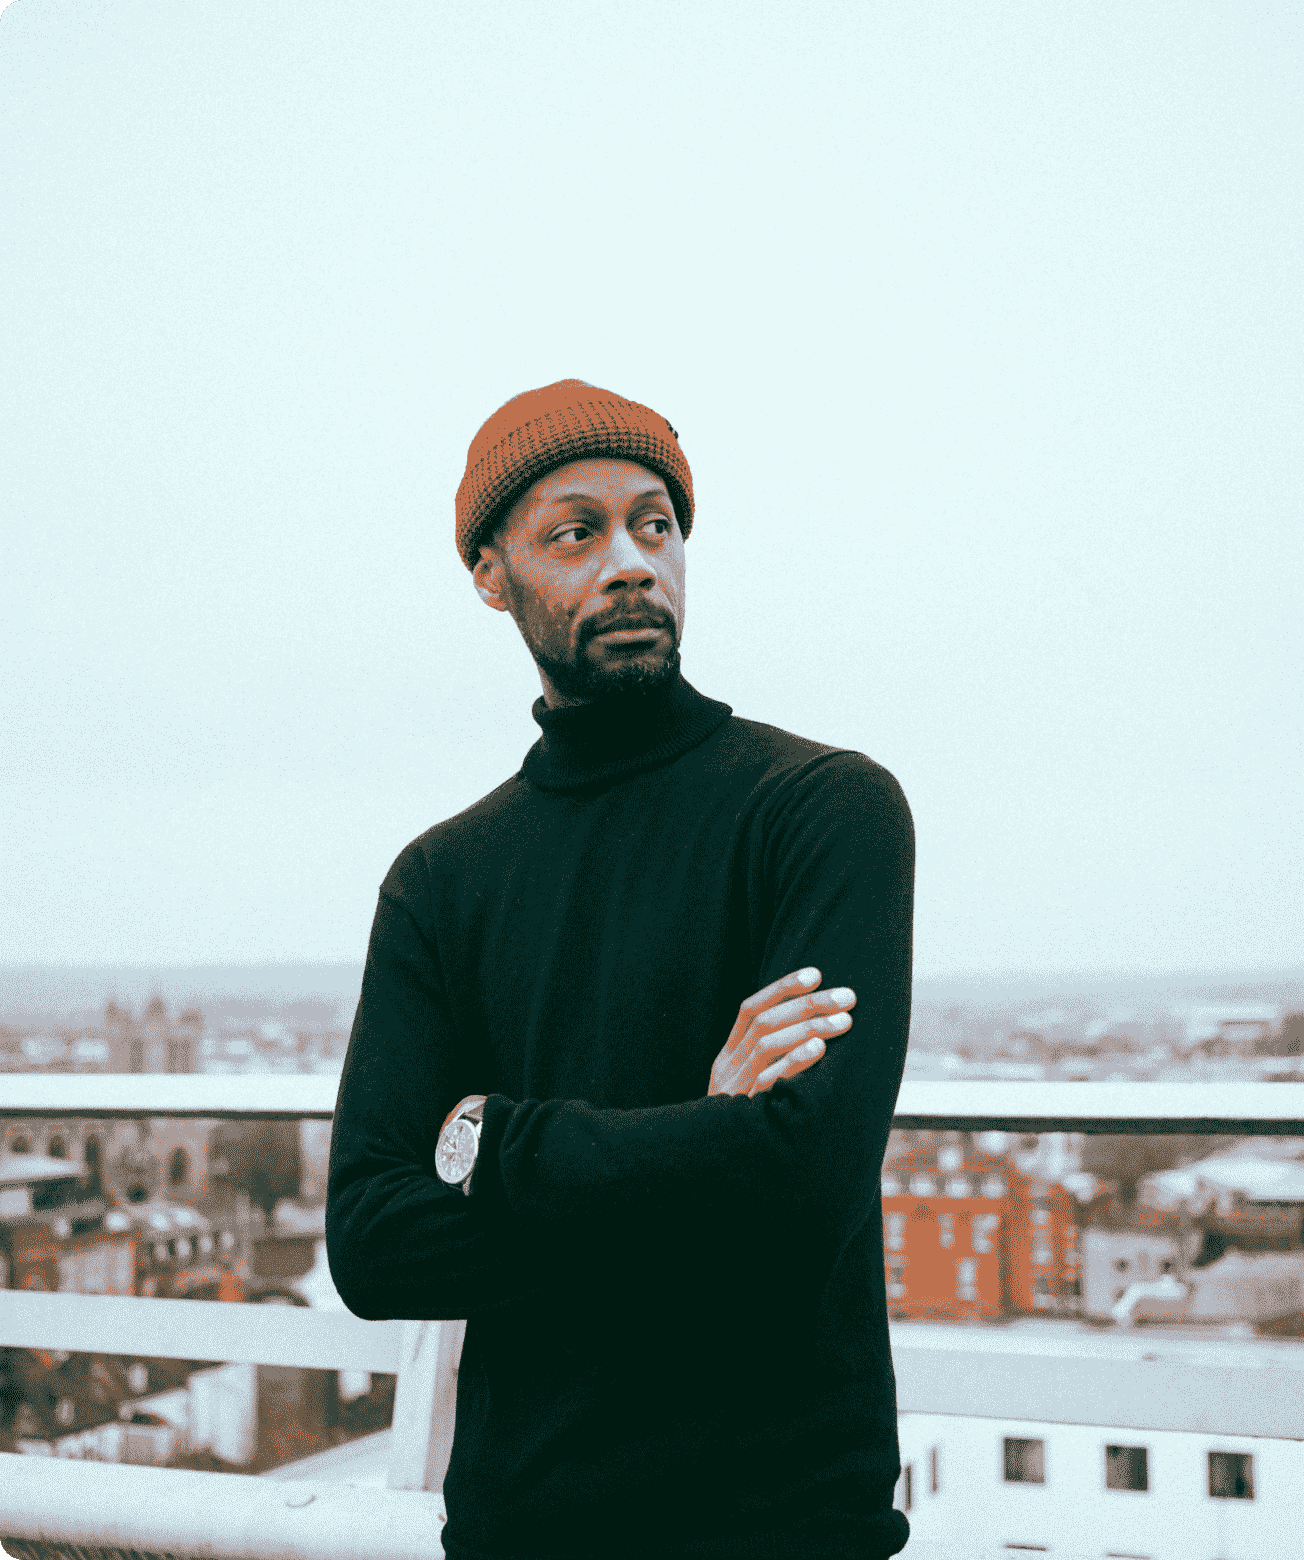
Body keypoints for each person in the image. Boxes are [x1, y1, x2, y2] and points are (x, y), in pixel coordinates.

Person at [325, 379, 915, 1560]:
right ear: (490, 574)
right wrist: (707, 1137)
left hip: (784, 1529)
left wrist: (496, 1143)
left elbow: (805, 1188)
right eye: (574, 533)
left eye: (655, 524)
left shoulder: (819, 809)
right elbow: (374, 1243)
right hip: (519, 1530)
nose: (632, 563)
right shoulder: (439, 879)